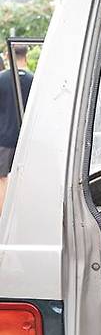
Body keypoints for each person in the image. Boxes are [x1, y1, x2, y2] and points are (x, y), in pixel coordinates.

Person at [0, 45, 33, 215]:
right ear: (25, 55)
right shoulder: (35, 81)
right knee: (25, 179)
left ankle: (3, 219)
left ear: (8, 55)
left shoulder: (1, 79)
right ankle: (24, 215)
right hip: (28, 140)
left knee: (2, 180)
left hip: (3, 140)